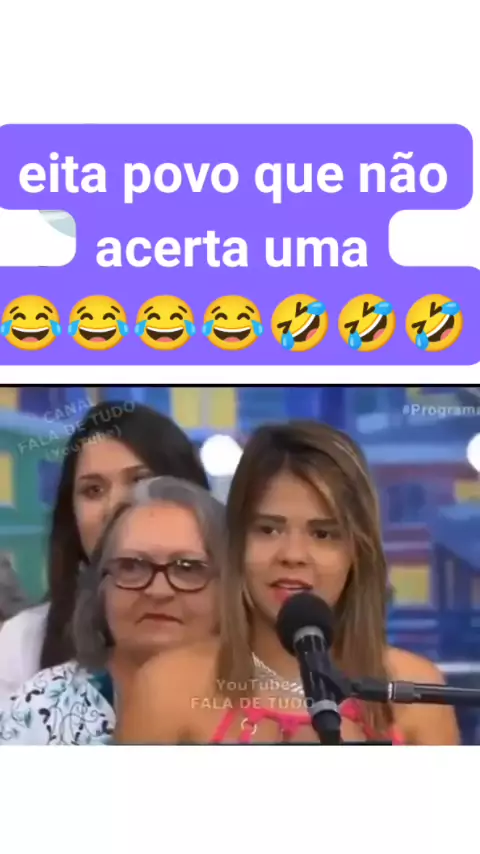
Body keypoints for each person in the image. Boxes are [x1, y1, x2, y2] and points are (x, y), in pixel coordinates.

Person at [116, 421, 460, 746]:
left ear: (357, 551)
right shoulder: (166, 689)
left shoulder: (418, 691)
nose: (293, 555)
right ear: (237, 543)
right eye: (268, 529)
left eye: (322, 533)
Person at [0, 400, 209, 704]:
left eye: (140, 481)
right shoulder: (23, 643)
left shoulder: (250, 642)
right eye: (93, 490)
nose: (115, 507)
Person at [0, 476, 222, 744]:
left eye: (187, 568)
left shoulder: (261, 702)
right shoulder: (41, 707)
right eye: (131, 566)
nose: (158, 591)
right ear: (101, 586)